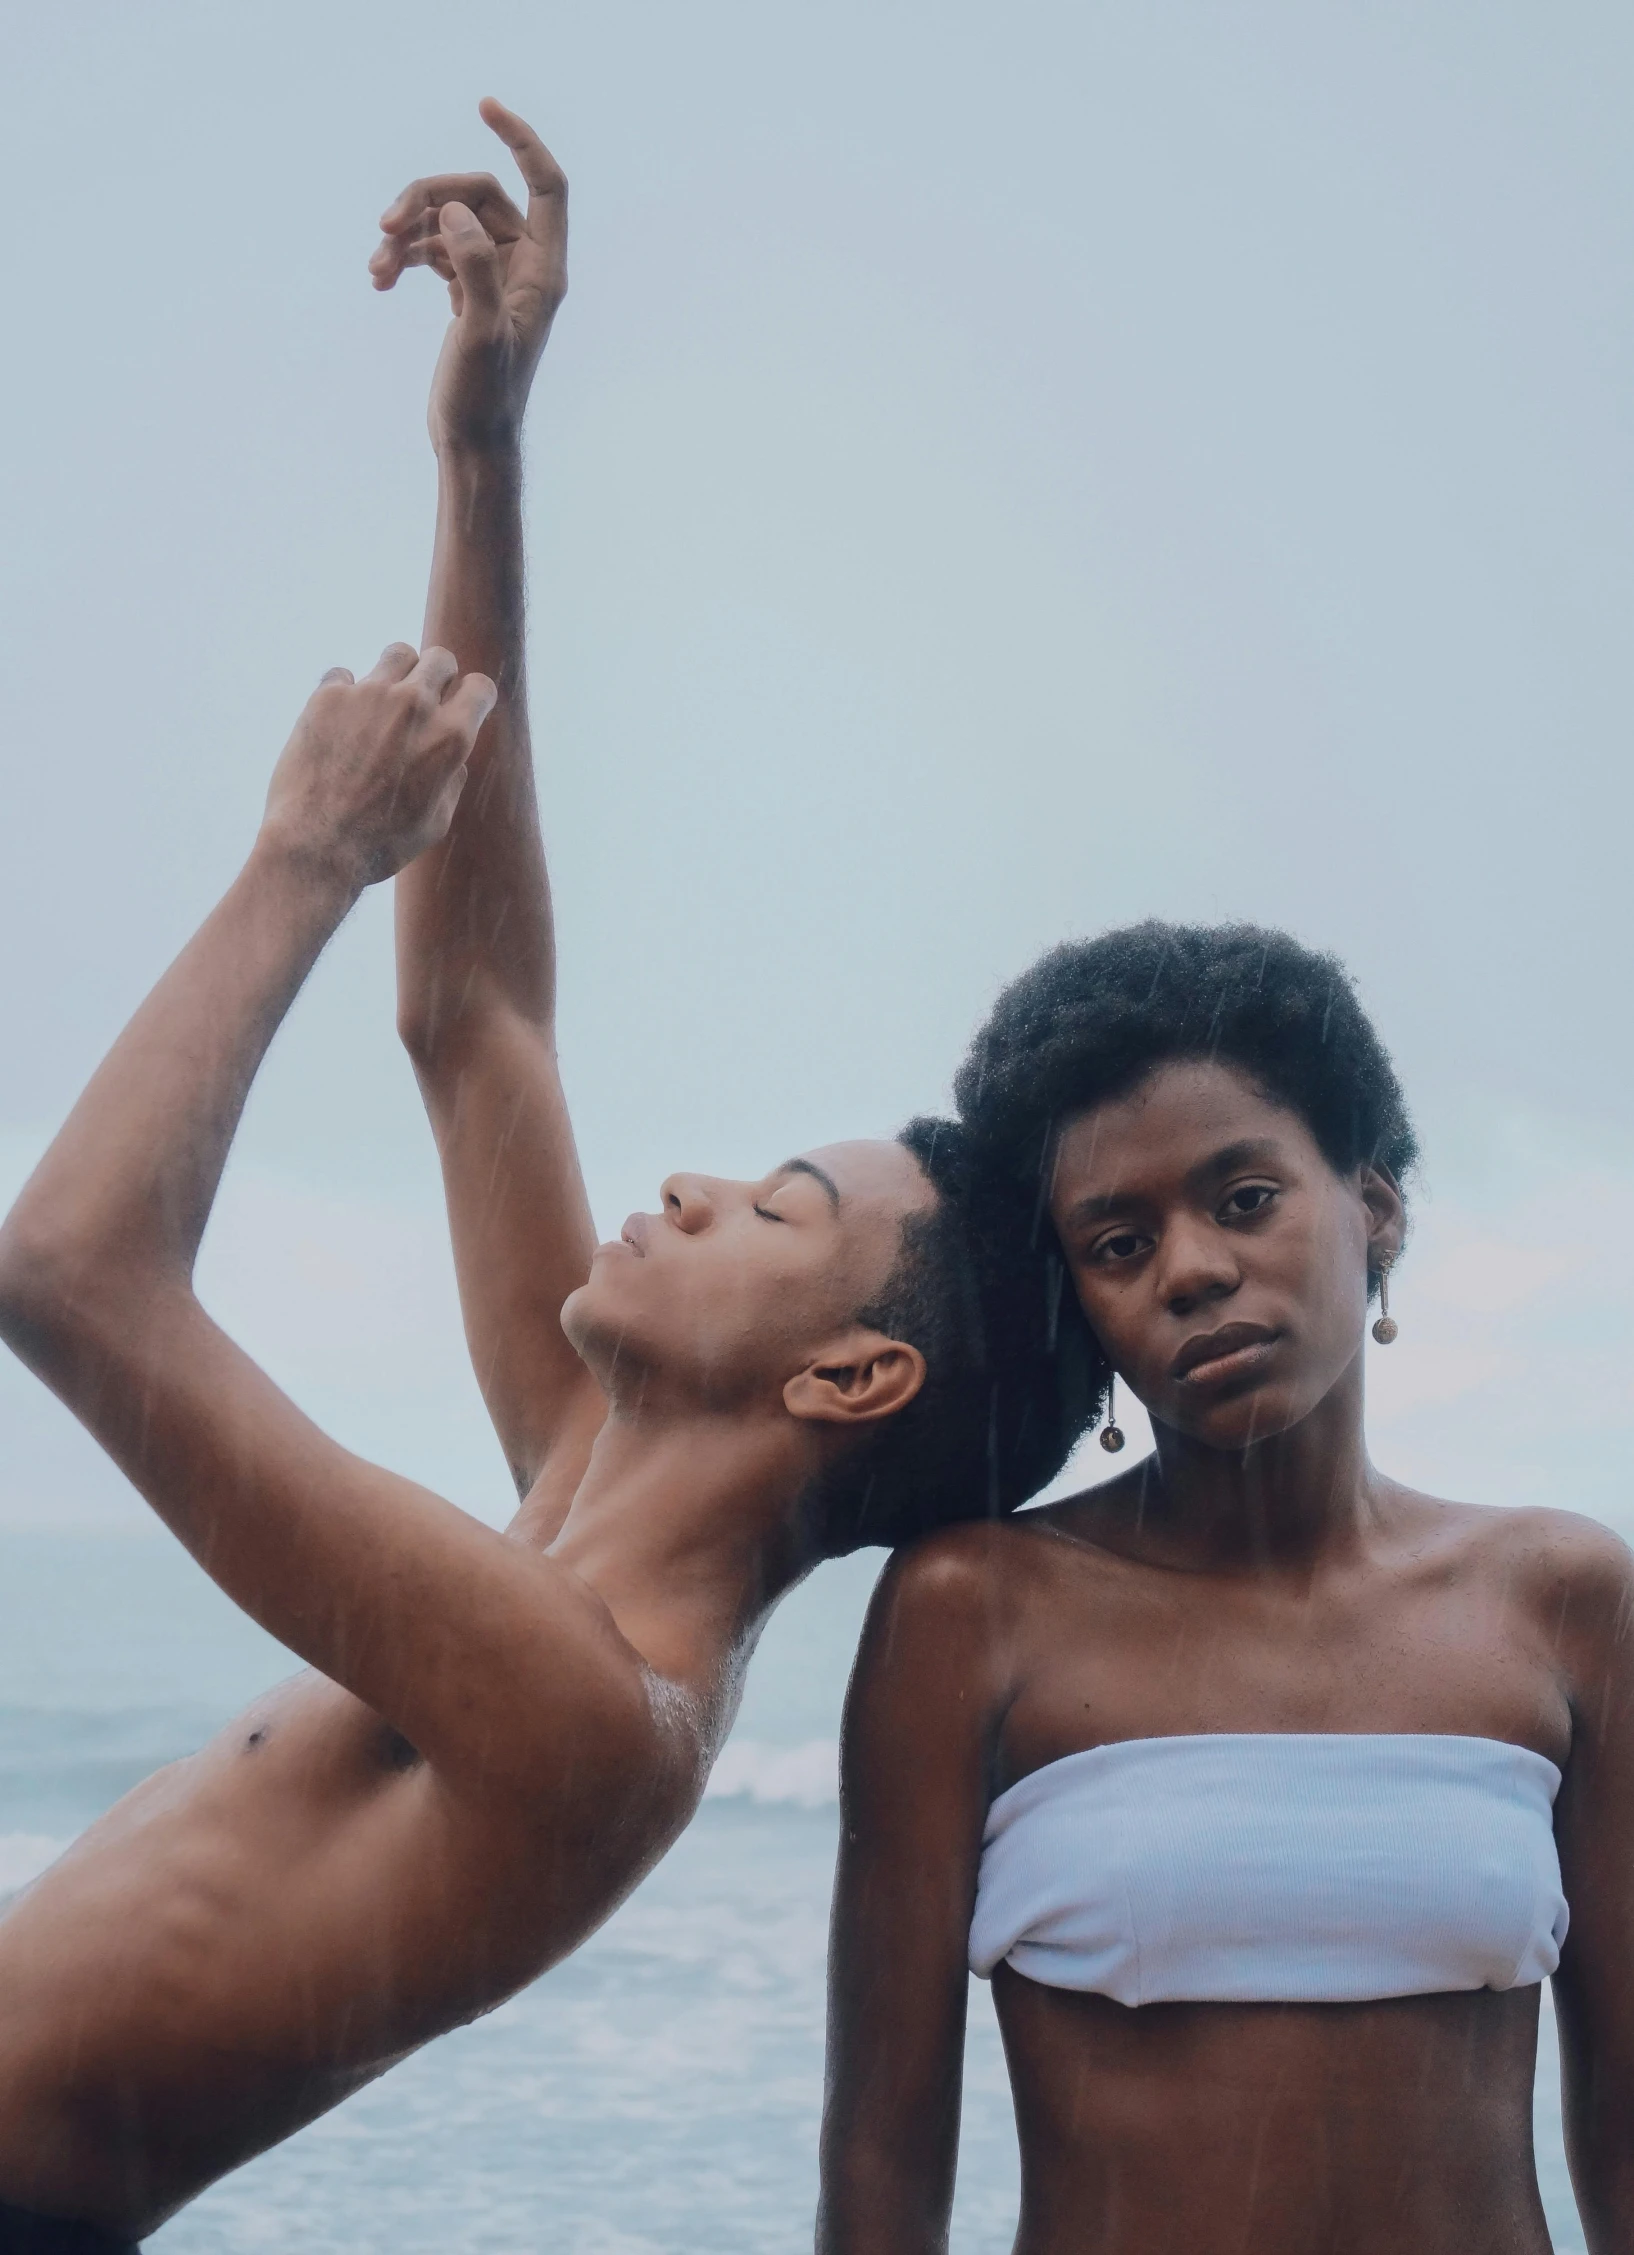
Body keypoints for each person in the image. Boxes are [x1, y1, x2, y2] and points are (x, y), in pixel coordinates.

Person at [0, 107, 1082, 2247]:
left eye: (780, 1208)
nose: (694, 1183)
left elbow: (68, 1272)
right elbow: (478, 1011)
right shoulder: (578, 1496)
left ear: (852, 1376)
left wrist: (302, 856)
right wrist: (483, 453)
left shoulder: (588, 1705)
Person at [819, 922, 1634, 2255]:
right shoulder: (969, 1611)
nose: (1190, 1268)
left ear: (1373, 1205)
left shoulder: (1559, 1599)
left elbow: (1621, 2113)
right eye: (1118, 1241)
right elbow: (880, 2155)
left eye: (1243, 1198)